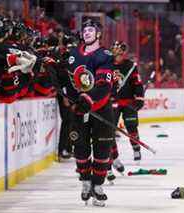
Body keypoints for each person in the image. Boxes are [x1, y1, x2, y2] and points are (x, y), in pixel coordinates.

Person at [66, 19, 114, 207]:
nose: (86, 33)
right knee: (80, 147)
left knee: (102, 150)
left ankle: (98, 185)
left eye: (91, 30)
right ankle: (86, 182)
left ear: (98, 34)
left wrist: (89, 99)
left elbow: (104, 85)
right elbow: (67, 80)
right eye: (84, 30)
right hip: (79, 109)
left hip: (101, 108)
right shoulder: (72, 54)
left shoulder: (104, 55)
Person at [111, 41, 144, 164]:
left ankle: (136, 149)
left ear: (122, 51)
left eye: (117, 48)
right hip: (112, 102)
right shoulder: (107, 65)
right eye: (114, 48)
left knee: (131, 126)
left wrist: (139, 98)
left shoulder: (130, 66)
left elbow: (137, 83)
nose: (114, 50)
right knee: (109, 129)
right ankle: (113, 155)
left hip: (128, 101)